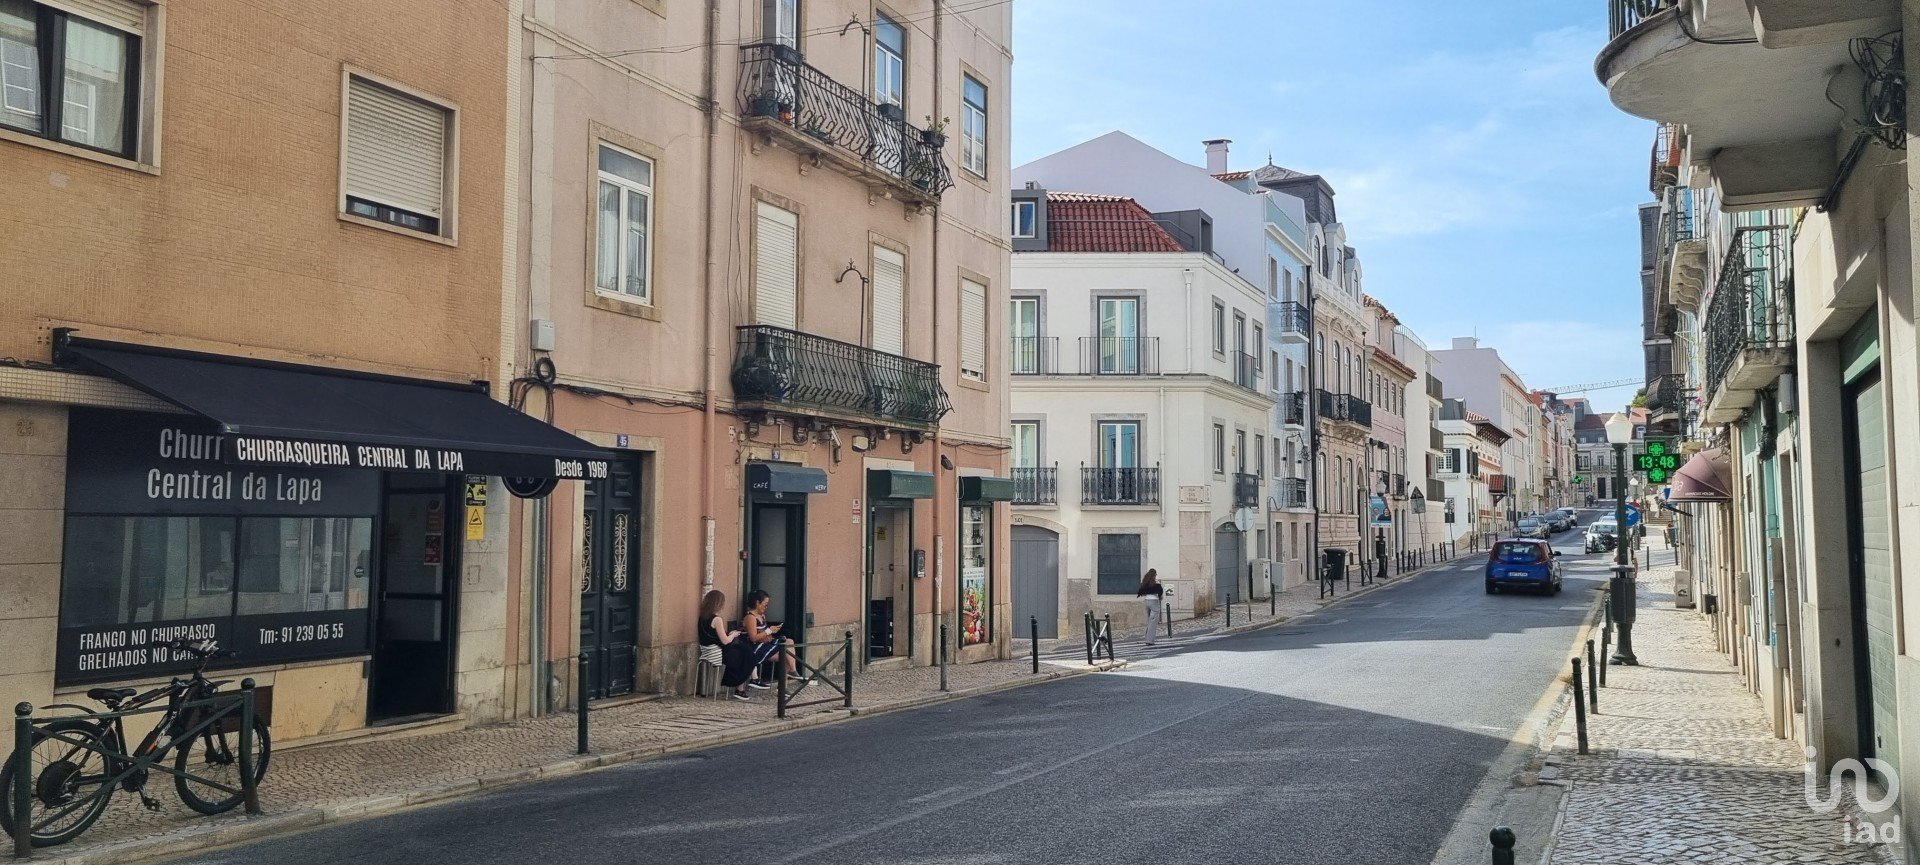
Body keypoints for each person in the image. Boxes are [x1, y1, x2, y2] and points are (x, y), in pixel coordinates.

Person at [698, 590, 754, 701]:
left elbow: (712, 635)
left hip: (708, 651)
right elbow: (725, 641)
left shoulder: (702, 618)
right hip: (718, 653)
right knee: (746, 653)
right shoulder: (717, 619)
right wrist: (733, 635)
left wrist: (729, 635)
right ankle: (743, 686)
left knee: (743, 651)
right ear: (718, 603)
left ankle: (746, 683)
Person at [741, 590, 798, 687]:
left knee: (789, 642)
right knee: (786, 654)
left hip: (766, 643)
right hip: (756, 648)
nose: (766, 607)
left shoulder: (762, 616)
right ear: (757, 603)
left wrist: (770, 633)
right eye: (765, 604)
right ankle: (785, 684)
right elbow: (753, 638)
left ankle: (792, 672)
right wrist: (769, 631)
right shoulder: (750, 617)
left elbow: (765, 634)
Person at [1136, 569, 1164, 645]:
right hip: (1154, 602)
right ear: (1154, 575)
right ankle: (1149, 640)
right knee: (1153, 622)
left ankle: (1147, 637)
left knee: (1149, 621)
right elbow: (1160, 593)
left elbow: (1141, 592)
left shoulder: (1145, 583)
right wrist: (1160, 597)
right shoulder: (1156, 583)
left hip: (1147, 601)